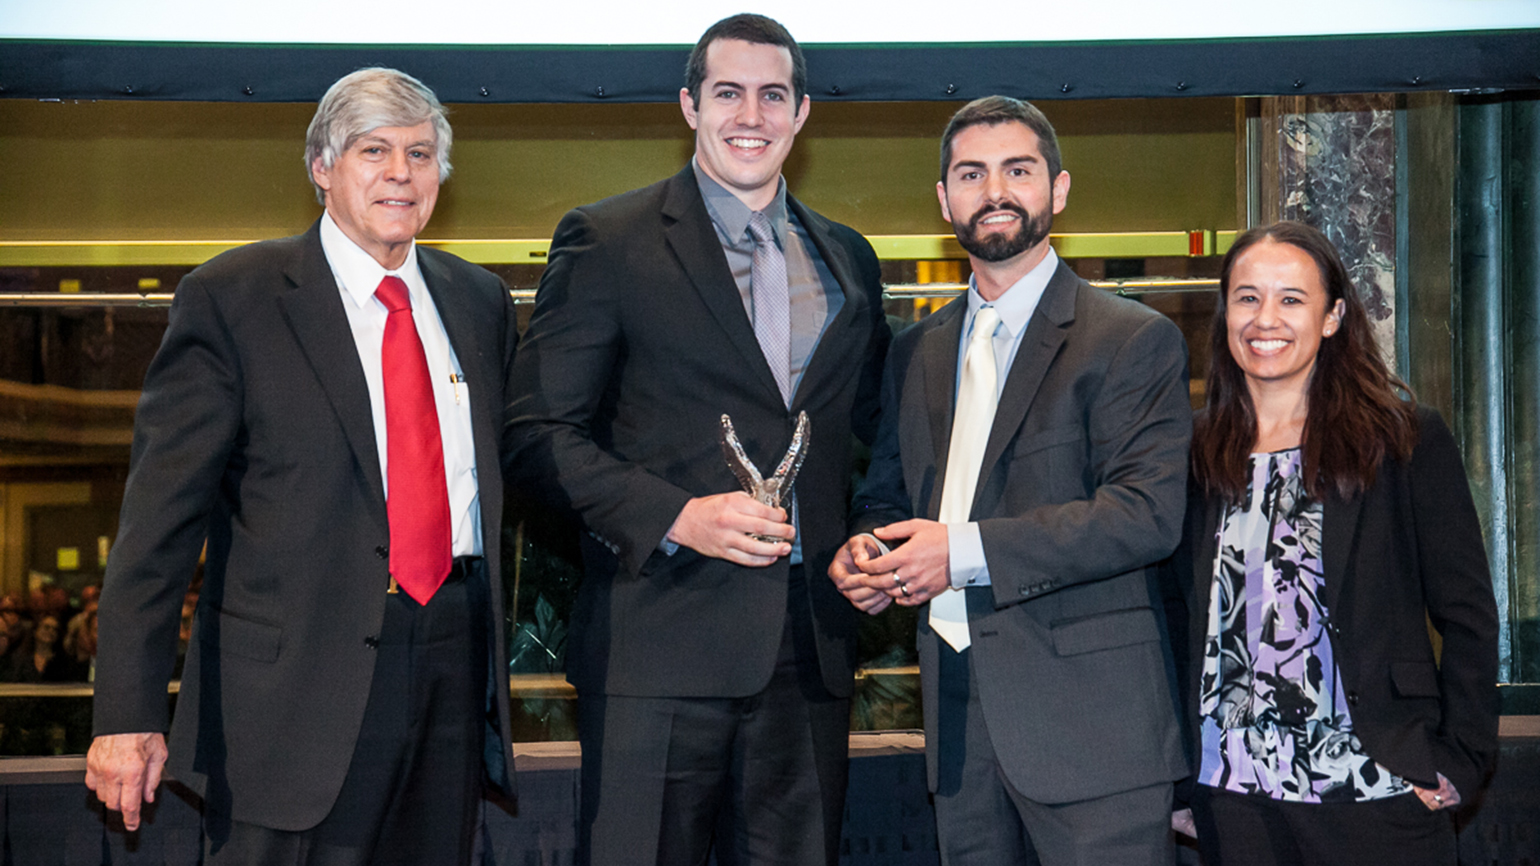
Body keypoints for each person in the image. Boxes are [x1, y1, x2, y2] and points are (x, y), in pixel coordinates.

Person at [85, 67, 519, 865]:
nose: (400, 173)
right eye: (374, 151)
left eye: (420, 154)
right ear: (322, 167)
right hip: (290, 701)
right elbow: (158, 526)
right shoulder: (234, 298)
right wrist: (125, 713)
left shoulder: (479, 301)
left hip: (451, 667)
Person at [505, 13, 889, 865]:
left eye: (772, 96)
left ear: (802, 113)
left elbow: (879, 438)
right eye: (728, 94)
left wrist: (874, 535)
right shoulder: (608, 241)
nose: (751, 115)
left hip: (810, 656)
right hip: (656, 647)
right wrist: (678, 516)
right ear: (690, 106)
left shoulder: (848, 260)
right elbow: (535, 435)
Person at [830, 95, 1191, 866]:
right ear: (944, 200)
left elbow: (1144, 515)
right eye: (971, 174)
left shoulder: (1132, 340)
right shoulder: (916, 351)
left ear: (1058, 189)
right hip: (958, 728)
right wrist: (867, 552)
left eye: (1017, 170)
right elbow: (891, 498)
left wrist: (958, 554)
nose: (994, 191)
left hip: (1095, 736)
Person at [1163, 220, 1499, 865]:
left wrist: (1460, 756)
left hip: (1375, 784)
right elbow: (1174, 618)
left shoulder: (1402, 439)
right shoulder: (1190, 450)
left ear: (1333, 316)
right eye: (1247, 297)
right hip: (1231, 790)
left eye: (1291, 299)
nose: (1266, 319)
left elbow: (1468, 615)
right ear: (1225, 312)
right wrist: (1177, 780)